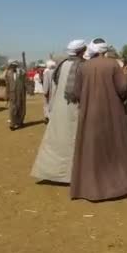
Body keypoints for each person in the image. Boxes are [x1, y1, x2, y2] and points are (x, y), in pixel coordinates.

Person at [70, 39, 127, 201]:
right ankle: (117, 186)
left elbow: (76, 93)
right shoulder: (113, 65)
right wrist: (126, 76)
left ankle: (88, 188)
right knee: (113, 148)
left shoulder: (83, 66)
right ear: (105, 50)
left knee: (91, 150)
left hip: (88, 115)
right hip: (111, 113)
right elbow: (122, 89)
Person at [31, 40, 86, 183]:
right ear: (81, 51)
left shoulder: (61, 65)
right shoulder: (81, 66)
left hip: (59, 106)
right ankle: (69, 175)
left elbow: (56, 82)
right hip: (74, 107)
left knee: (56, 139)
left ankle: (52, 172)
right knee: (73, 140)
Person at [6, 60, 27, 130]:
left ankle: (20, 122)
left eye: (15, 66)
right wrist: (7, 94)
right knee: (12, 109)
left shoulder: (21, 73)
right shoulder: (8, 74)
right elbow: (7, 85)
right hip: (12, 93)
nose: (14, 67)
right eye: (12, 66)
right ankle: (12, 124)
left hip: (20, 93)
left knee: (20, 107)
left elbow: (25, 80)